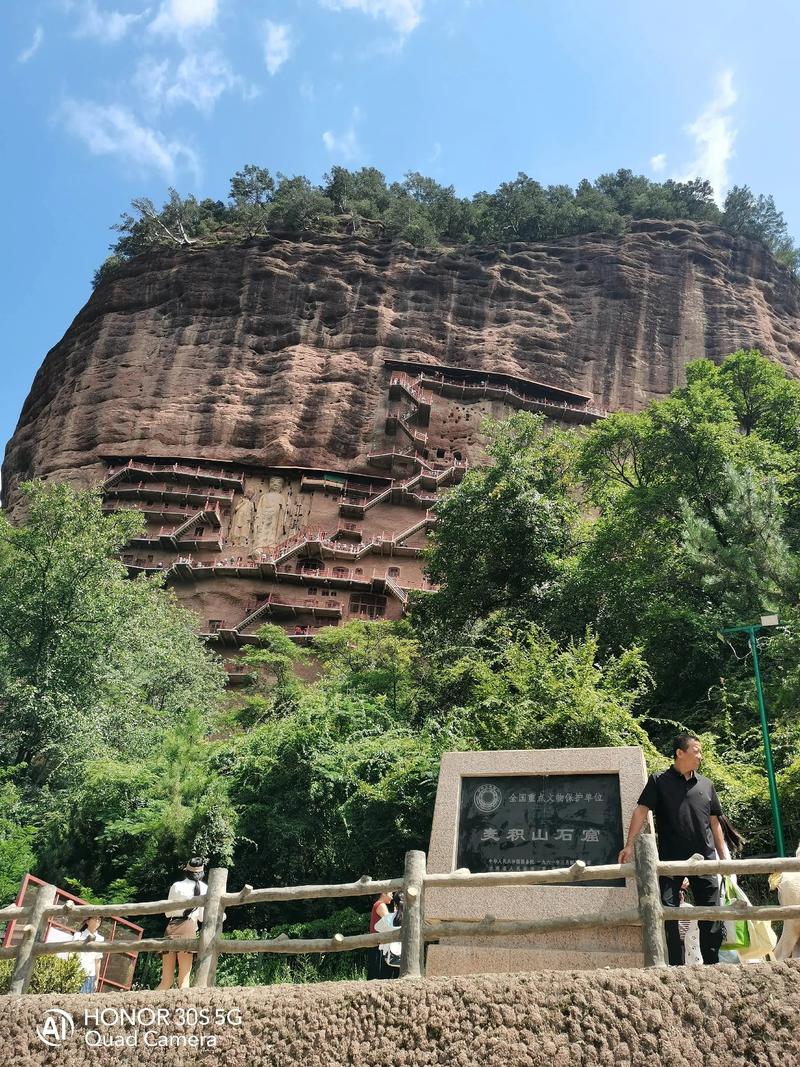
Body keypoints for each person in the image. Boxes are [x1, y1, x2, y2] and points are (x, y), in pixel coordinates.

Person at [618, 732, 726, 966]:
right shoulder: (659, 780)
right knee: (668, 913)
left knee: (711, 915)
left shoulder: (706, 784)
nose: (701, 756)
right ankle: (675, 967)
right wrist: (629, 845)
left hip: (705, 860)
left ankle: (712, 966)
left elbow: (715, 822)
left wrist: (724, 858)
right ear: (680, 753)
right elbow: (641, 811)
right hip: (669, 861)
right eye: (696, 751)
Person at [156, 857, 207, 991]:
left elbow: (167, 913)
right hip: (189, 928)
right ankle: (182, 1005)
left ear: (187, 871)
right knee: (184, 981)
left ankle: (149, 1004)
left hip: (171, 927)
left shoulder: (176, 886)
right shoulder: (205, 888)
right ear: (202, 873)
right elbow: (202, 917)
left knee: (165, 982)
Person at [72, 917, 104, 993]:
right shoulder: (78, 935)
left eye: (99, 919)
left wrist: (96, 980)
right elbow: (71, 955)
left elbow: (97, 961)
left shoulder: (100, 939)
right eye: (95, 918)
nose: (97, 921)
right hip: (76, 973)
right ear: (87, 921)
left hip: (90, 976)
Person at [367, 891, 393, 980]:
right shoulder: (381, 905)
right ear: (383, 893)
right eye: (391, 894)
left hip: (375, 942)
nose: (392, 897)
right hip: (379, 943)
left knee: (374, 972)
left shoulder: (377, 904)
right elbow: (390, 924)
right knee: (378, 973)